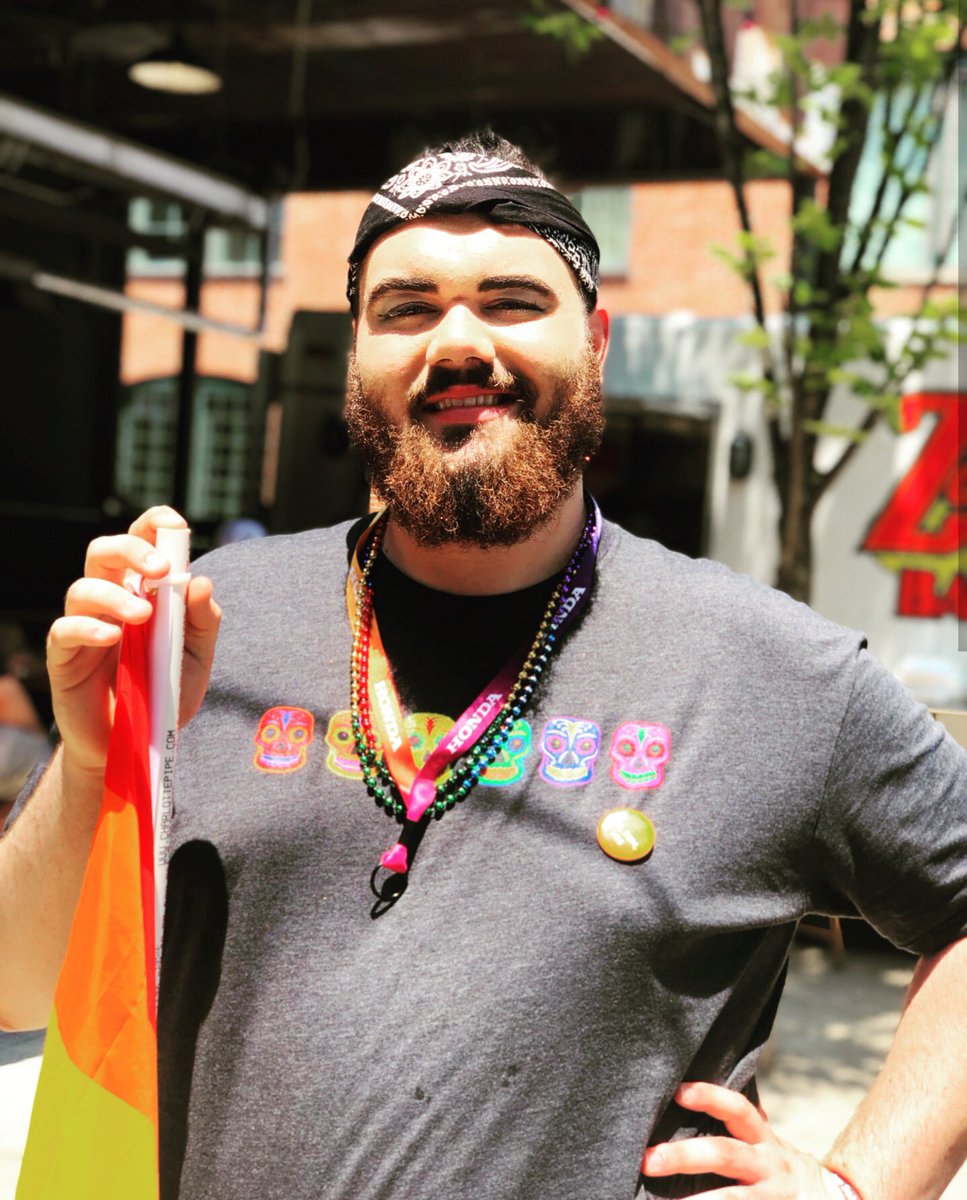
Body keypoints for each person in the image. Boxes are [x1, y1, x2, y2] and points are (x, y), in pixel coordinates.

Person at [2, 132, 966, 1200]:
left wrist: (862, 1186)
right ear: (357, 353)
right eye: (406, 308)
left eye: (512, 300)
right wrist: (96, 760)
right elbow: (15, 986)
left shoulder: (771, 671)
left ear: (596, 340)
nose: (457, 343)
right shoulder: (206, 622)